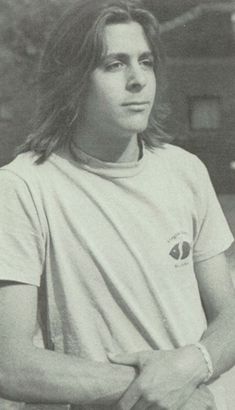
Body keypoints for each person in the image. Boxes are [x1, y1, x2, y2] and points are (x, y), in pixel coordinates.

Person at [0, 0, 235, 409]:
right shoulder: (22, 187)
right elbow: (11, 364)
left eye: (145, 62)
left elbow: (229, 318)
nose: (138, 80)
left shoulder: (186, 171)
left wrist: (193, 365)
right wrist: (160, 389)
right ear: (73, 80)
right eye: (114, 64)